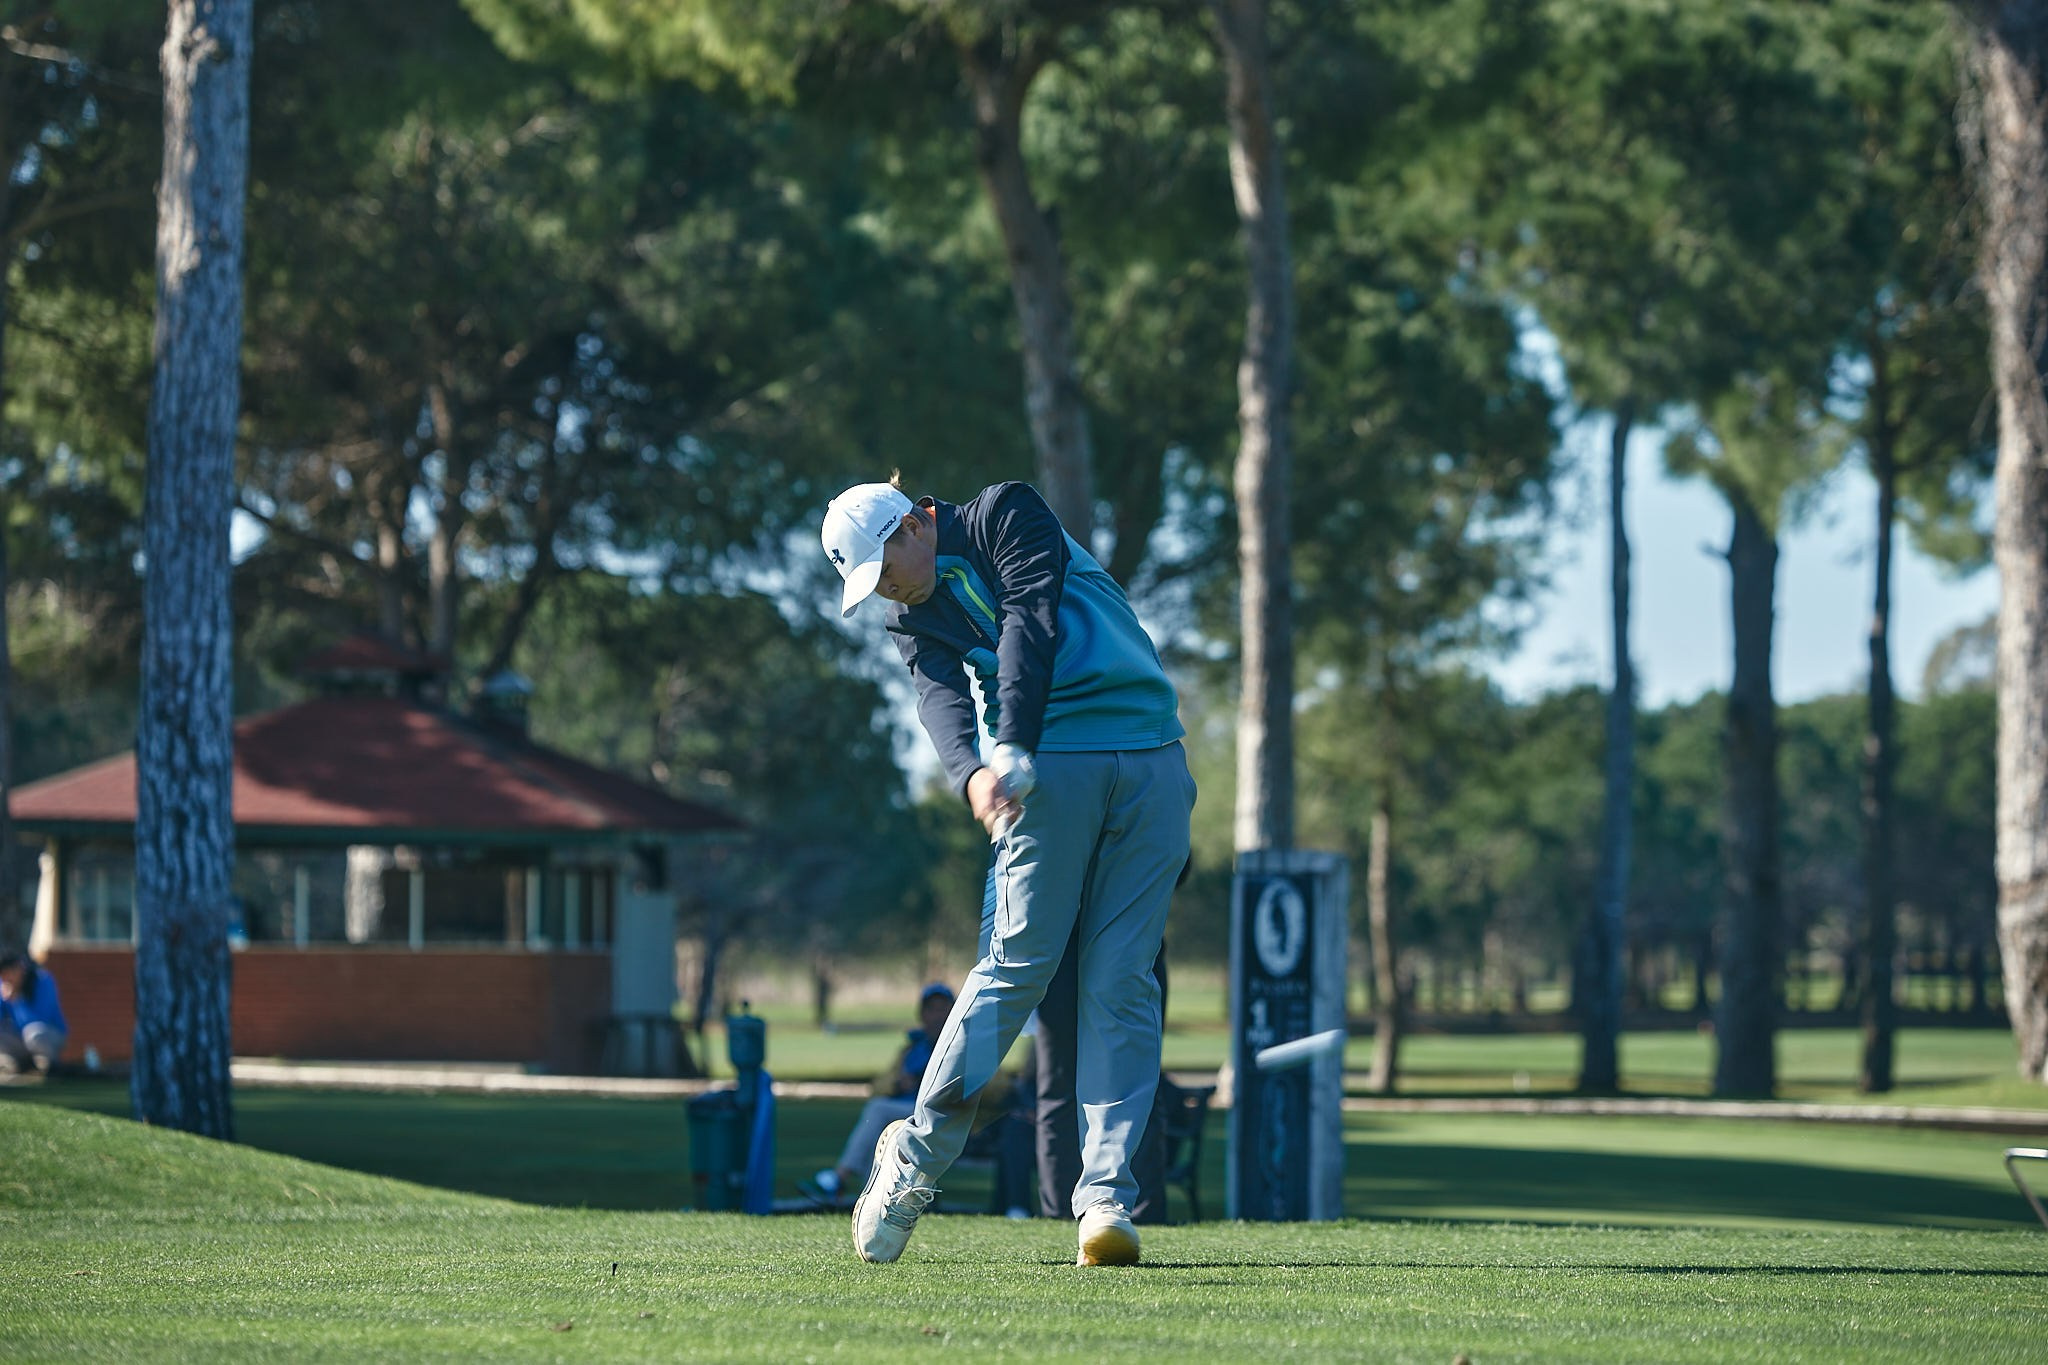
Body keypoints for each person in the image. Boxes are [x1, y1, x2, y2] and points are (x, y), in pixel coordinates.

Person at [819, 476, 1195, 1267]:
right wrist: (971, 774)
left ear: (914, 524)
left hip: (1149, 751)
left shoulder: (1004, 514)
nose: (890, 590)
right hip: (1047, 772)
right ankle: (913, 1161)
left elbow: (1032, 615)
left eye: (888, 569)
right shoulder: (912, 617)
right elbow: (941, 703)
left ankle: (1105, 1199)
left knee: (1123, 979)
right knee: (1016, 968)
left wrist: (1012, 742)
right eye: (876, 586)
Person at [801, 982, 956, 1208]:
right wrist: (898, 1082)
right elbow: (878, 1087)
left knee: (878, 1110)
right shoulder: (912, 1048)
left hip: (940, 1116)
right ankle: (874, 1203)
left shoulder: (961, 1045)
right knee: (879, 1127)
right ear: (922, 1014)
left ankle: (841, 1179)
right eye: (931, 1009)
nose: (937, 1016)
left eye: (943, 1009)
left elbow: (991, 1086)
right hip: (907, 1113)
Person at [0, 951, 68, 1078]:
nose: (6, 979)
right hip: (20, 1039)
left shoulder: (42, 980)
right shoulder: (3, 986)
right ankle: (21, 1064)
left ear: (19, 969)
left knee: (33, 1032)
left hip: (48, 1035)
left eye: (9, 973)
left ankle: (48, 1065)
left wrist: (17, 999)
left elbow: (40, 1020)